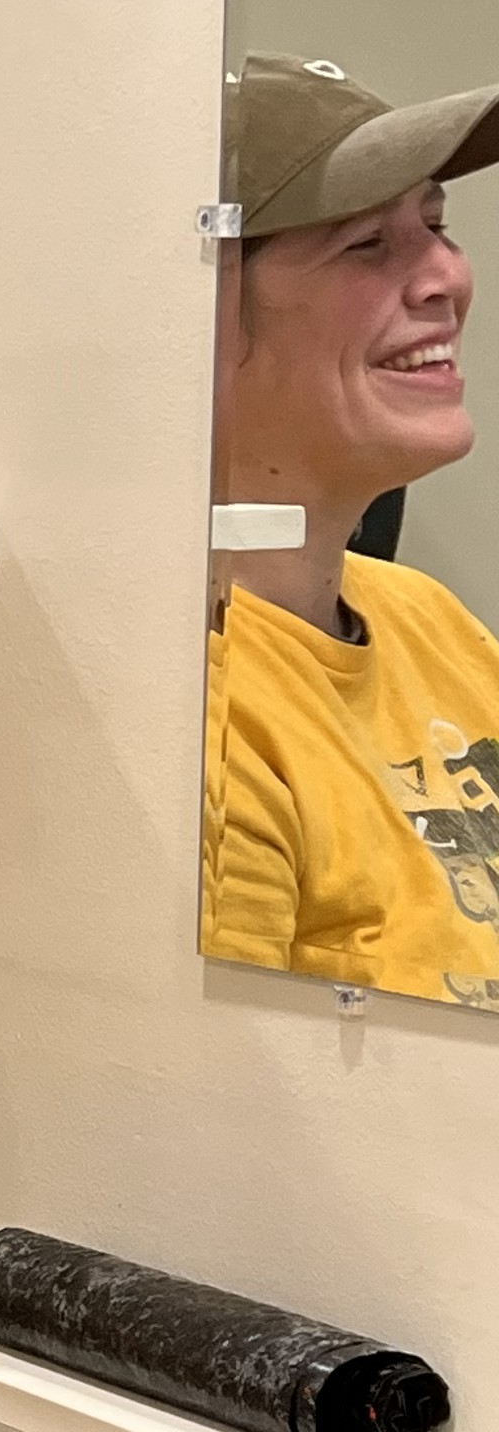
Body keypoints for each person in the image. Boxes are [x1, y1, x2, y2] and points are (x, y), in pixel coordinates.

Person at [204, 52, 499, 1004]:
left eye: (436, 227)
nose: (445, 277)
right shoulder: (198, 728)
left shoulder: (431, 621)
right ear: (198, 315)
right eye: (366, 244)